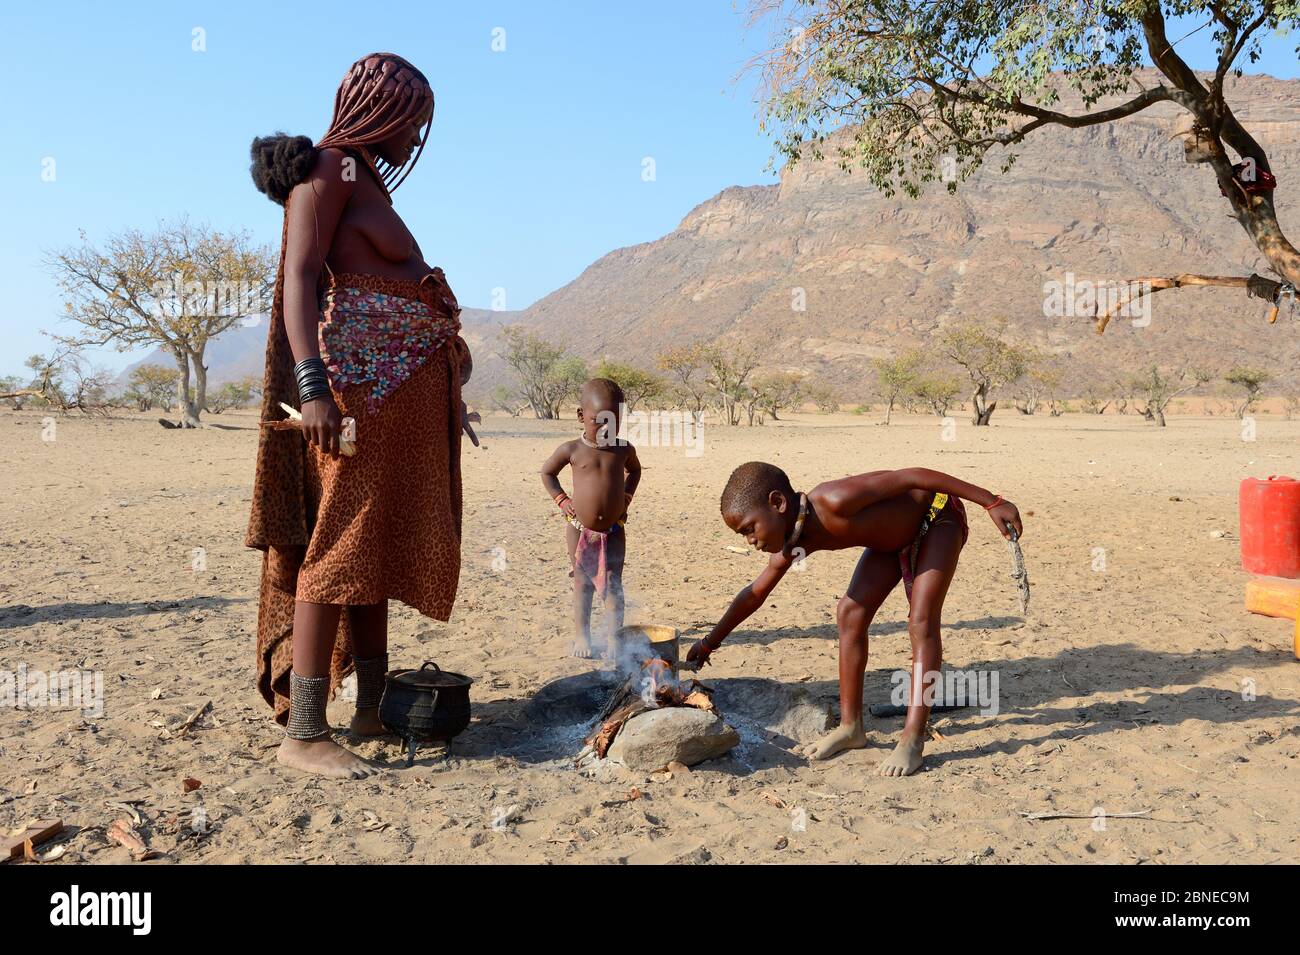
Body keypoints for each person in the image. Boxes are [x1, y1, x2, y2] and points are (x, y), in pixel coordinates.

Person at [245, 53, 478, 779]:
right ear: (379, 108)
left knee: (371, 544)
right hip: (355, 394)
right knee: (340, 544)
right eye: (412, 118)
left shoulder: (363, 178)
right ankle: (305, 734)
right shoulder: (327, 172)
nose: (416, 135)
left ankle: (372, 706)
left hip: (401, 397)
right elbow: (301, 281)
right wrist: (313, 388)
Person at [686, 462, 1022, 776]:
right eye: (742, 535)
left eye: (750, 528)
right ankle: (851, 728)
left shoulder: (834, 500)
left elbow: (915, 476)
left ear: (777, 503)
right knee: (850, 613)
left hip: (936, 518)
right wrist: (708, 643)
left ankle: (912, 740)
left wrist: (992, 502)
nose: (750, 541)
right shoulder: (791, 545)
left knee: (921, 621)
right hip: (892, 540)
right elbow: (754, 595)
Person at [540, 379, 642, 658]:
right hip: (578, 528)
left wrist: (627, 498)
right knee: (582, 583)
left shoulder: (623, 449)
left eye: (614, 421)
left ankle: (613, 639)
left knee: (613, 584)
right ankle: (582, 636)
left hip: (614, 529)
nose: (607, 429)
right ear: (580, 416)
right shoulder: (571, 449)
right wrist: (561, 500)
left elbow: (635, 472)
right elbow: (547, 473)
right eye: (599, 421)